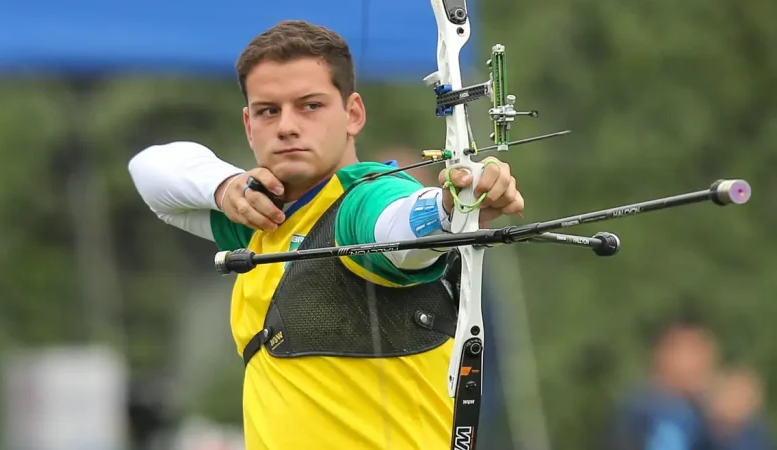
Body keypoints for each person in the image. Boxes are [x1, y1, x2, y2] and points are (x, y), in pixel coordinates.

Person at [128, 20, 524, 450]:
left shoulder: (365, 198)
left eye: (310, 106)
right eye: (268, 111)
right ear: (248, 124)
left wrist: (450, 208)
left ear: (353, 114)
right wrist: (225, 188)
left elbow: (396, 224)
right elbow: (149, 170)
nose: (286, 126)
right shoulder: (261, 216)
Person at [604, 315, 719, 450]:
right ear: (664, 355)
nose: (704, 363)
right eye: (695, 352)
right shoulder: (665, 415)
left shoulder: (694, 412)